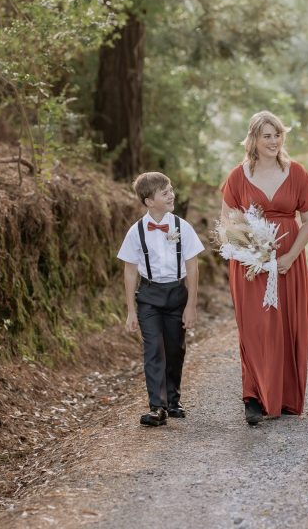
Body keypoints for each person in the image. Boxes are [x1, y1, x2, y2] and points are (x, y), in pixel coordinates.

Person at [220, 111, 308, 425]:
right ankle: (253, 397)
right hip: (250, 267)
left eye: (277, 135)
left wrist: (290, 256)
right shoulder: (238, 176)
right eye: (267, 135)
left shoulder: (297, 172)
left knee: (288, 325)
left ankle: (287, 398)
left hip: (289, 264)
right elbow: (228, 222)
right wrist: (251, 252)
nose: (274, 141)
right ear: (254, 139)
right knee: (255, 328)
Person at [117, 172, 205, 427]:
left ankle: (173, 400)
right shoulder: (136, 232)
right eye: (164, 192)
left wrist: (190, 306)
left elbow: (192, 268)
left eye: (171, 190)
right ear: (148, 201)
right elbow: (130, 271)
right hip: (150, 297)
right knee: (153, 349)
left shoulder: (182, 226)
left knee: (175, 348)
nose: (171, 195)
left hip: (177, 294)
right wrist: (131, 311)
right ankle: (157, 407)